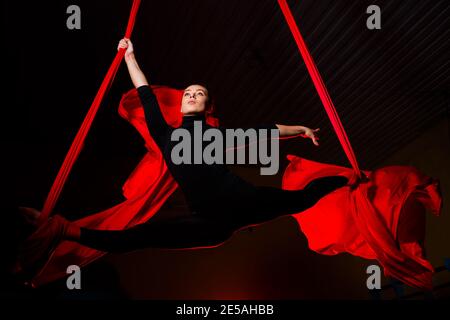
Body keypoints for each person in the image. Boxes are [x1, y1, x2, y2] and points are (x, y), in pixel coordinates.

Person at [15, 38, 354, 279]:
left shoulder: (217, 136)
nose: (192, 94)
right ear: (181, 103)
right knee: (137, 238)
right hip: (209, 224)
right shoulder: (165, 135)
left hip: (248, 202)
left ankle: (352, 180)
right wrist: (130, 56)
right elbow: (146, 94)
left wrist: (302, 129)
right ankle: (64, 230)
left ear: (206, 106)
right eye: (189, 92)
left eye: (200, 93)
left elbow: (266, 130)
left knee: (305, 198)